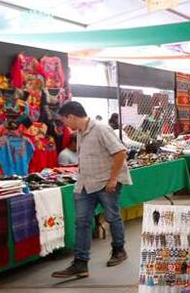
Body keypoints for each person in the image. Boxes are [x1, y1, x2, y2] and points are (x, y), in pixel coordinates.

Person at [52, 101, 133, 279]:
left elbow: (120, 153)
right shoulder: (80, 133)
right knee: (82, 221)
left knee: (112, 217)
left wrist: (113, 179)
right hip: (85, 184)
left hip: (105, 182)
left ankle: (119, 250)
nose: (65, 125)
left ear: (71, 116)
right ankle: (80, 263)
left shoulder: (101, 129)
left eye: (64, 120)